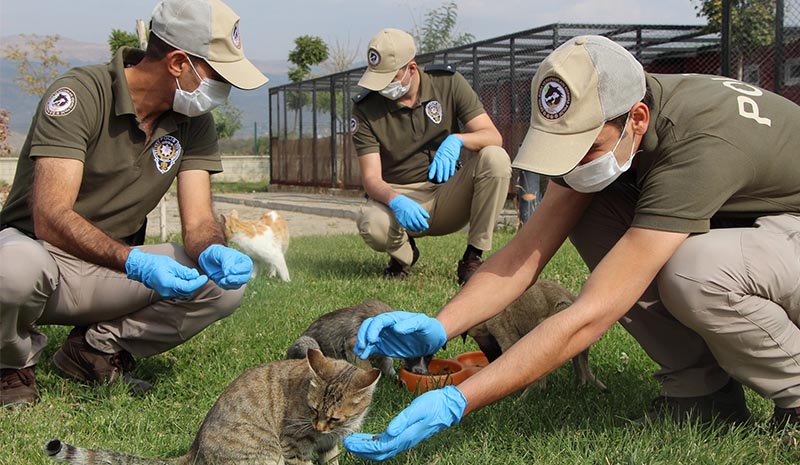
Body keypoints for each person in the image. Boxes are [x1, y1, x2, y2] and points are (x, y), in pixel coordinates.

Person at [343, 35, 800, 460]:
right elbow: (525, 253)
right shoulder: (618, 120)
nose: (575, 163)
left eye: (587, 146)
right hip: (752, 223)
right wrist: (442, 326)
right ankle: (701, 394)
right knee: (588, 209)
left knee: (695, 271)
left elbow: (593, 312)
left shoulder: (696, 141)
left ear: (637, 119)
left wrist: (460, 399)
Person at [0, 0, 269, 407]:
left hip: (111, 267)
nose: (224, 91)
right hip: (43, 256)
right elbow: (50, 217)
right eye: (219, 76)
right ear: (178, 63)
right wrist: (134, 262)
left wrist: (213, 248)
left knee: (220, 287)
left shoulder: (194, 121)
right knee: (12, 269)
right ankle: (11, 364)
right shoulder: (82, 93)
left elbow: (198, 221)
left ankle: (94, 350)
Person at [350, 28, 511, 283]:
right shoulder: (365, 109)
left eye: (389, 78)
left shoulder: (448, 83)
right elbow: (371, 178)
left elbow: (493, 136)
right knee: (371, 221)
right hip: (399, 198)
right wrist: (395, 201)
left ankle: (473, 257)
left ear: (411, 68)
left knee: (496, 158)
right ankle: (404, 255)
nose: (382, 87)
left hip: (447, 193)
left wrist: (457, 140)